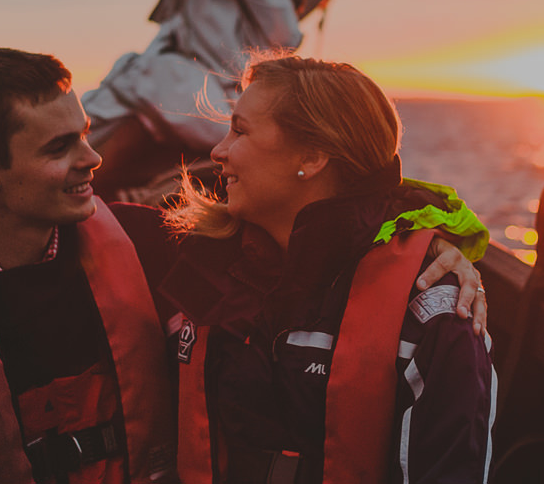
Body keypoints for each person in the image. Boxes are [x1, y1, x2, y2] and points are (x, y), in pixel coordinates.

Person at [0, 48, 486, 484]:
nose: (94, 158)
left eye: (87, 133)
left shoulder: (153, 247)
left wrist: (441, 240)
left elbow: (344, 211)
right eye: (62, 147)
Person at [159, 57, 495, 484]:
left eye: (240, 131)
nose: (217, 150)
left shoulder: (431, 313)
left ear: (313, 156)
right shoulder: (201, 259)